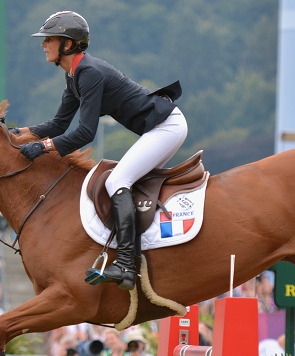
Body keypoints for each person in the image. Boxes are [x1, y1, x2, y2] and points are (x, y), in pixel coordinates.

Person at [16, 11, 188, 291]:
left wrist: (44, 147)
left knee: (117, 181)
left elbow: (85, 133)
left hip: (166, 126)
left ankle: (126, 264)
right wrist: (19, 134)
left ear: (68, 45)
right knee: (125, 181)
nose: (43, 44)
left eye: (49, 39)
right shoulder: (74, 76)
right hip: (159, 127)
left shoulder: (89, 73)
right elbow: (58, 124)